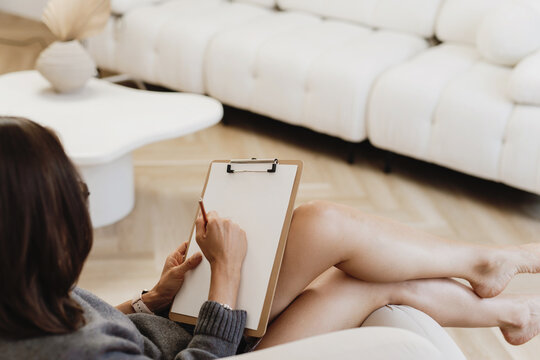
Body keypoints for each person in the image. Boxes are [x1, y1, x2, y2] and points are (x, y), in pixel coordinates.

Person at [0, 116, 539, 359]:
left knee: (321, 223)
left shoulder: (19, 293)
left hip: (178, 330)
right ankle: (509, 310)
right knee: (355, 285)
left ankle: (491, 271)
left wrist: (151, 298)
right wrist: (227, 277)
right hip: (210, 350)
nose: (83, 197)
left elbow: (97, 323)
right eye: (74, 196)